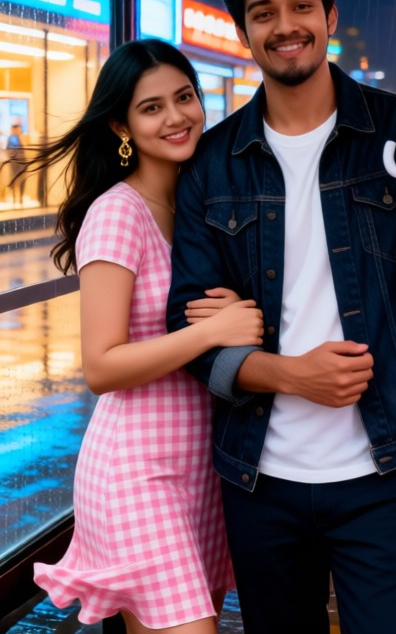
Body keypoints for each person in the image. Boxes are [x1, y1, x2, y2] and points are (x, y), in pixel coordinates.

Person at [166, 0, 396, 634]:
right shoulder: (214, 164)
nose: (286, 26)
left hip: (388, 470)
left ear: (329, 17)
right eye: (264, 13)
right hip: (260, 480)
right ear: (244, 31)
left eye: (301, 5)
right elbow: (187, 332)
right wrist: (290, 374)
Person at [32, 39, 264, 634]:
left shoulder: (195, 207)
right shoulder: (119, 212)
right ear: (122, 125)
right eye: (152, 107)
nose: (177, 116)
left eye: (184, 97)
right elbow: (102, 366)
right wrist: (211, 330)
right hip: (138, 472)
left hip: (200, 473)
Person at [5, 121, 27, 204]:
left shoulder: (20, 137)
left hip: (21, 161)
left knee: (21, 180)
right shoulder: (12, 138)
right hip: (15, 162)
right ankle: (15, 198)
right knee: (14, 179)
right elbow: (9, 149)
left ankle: (20, 197)